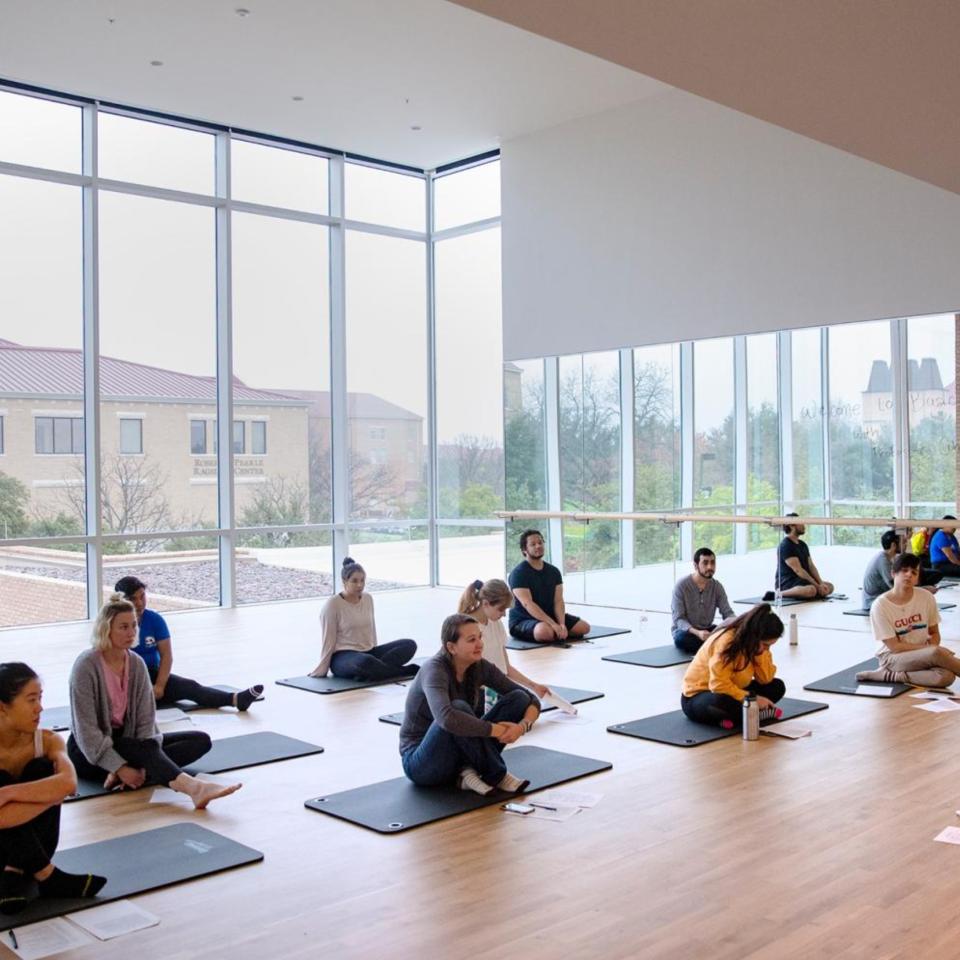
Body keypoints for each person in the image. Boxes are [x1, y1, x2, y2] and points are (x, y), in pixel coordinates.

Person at [67, 594, 242, 809]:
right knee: (142, 749)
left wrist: (139, 764)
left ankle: (141, 774)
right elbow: (87, 733)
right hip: (88, 753)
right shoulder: (86, 666)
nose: (131, 633)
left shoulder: (136, 664)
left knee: (200, 741)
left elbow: (146, 724)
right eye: (123, 627)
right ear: (106, 629)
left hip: (131, 745)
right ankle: (193, 788)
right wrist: (120, 767)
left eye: (133, 626)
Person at [0, 662, 106, 915]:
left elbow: (69, 783)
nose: (40, 708)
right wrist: (50, 795)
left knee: (40, 769)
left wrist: (9, 794)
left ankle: (13, 874)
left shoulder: (48, 740)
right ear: (3, 707)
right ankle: (47, 876)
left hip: (41, 843)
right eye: (31, 700)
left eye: (40, 698)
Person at [399, 614, 541, 795]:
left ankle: (466, 772)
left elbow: (531, 699)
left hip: (461, 752)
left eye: (480, 637)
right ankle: (496, 774)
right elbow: (446, 718)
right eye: (471, 640)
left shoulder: (480, 666)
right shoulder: (434, 670)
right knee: (457, 708)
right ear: (451, 647)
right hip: (422, 763)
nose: (480, 644)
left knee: (518, 698)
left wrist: (521, 727)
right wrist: (497, 730)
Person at [115, 576, 263, 712]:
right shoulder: (111, 622)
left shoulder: (154, 619)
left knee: (189, 686)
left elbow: (166, 656)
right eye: (133, 599)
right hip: (123, 678)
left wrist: (159, 686)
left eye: (142, 597)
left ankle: (235, 699)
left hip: (151, 674)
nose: (140, 603)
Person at [858, 553, 960, 687]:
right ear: (893, 573)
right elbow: (895, 647)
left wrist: (929, 651)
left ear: (917, 578)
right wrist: (930, 651)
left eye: (914, 572)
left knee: (946, 677)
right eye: (904, 570)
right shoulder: (880, 605)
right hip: (892, 658)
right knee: (936, 652)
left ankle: (890, 675)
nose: (909, 575)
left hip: (921, 654)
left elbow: (934, 633)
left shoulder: (926, 597)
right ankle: (889, 670)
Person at [310, 558, 418, 680]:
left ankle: (371, 672)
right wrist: (322, 668)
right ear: (344, 581)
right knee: (365, 662)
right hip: (343, 657)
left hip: (369, 652)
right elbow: (328, 639)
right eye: (354, 581)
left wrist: (376, 651)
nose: (359, 585)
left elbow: (372, 629)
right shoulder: (333, 604)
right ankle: (404, 671)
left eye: (362, 580)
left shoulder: (368, 599)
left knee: (409, 645)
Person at [680, 604, 786, 729]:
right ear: (754, 636)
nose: (766, 649)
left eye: (770, 646)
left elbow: (765, 679)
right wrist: (753, 699)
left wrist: (761, 653)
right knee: (721, 702)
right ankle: (750, 714)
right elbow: (718, 685)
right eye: (765, 645)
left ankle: (738, 716)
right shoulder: (726, 642)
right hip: (700, 696)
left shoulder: (755, 645)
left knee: (777, 686)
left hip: (734, 690)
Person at [458, 579, 551, 699]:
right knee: (522, 700)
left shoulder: (496, 624)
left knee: (530, 699)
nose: (504, 615)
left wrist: (533, 686)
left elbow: (505, 667)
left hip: (497, 686)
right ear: (485, 604)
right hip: (479, 692)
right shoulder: (467, 628)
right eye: (501, 609)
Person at [507, 529, 591, 642]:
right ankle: (552, 631)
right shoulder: (518, 573)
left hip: (549, 616)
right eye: (533, 544)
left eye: (540, 543)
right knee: (544, 632)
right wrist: (553, 624)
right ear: (524, 550)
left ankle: (557, 632)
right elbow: (528, 604)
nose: (538, 546)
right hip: (523, 620)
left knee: (584, 628)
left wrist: (561, 624)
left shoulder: (554, 571)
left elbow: (558, 601)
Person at [671, 547, 735, 653]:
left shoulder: (717, 586)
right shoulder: (681, 586)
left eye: (712, 563)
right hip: (687, 632)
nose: (710, 567)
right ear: (696, 566)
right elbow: (679, 619)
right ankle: (714, 647)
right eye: (705, 563)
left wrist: (740, 623)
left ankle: (710, 647)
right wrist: (697, 633)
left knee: (732, 634)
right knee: (681, 639)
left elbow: (727, 612)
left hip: (708, 631)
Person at [862, 531, 939, 610]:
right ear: (893, 545)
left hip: (883, 598)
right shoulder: (883, 560)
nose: (905, 545)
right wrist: (924, 590)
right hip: (873, 602)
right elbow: (895, 587)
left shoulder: (891, 558)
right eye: (903, 542)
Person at [770, 513, 834, 600]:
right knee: (811, 590)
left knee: (830, 586)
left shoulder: (802, 544)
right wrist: (816, 585)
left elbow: (811, 566)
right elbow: (798, 570)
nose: (804, 525)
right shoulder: (785, 545)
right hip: (788, 582)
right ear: (792, 526)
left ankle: (816, 590)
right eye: (801, 523)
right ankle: (778, 594)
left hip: (802, 580)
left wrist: (821, 583)